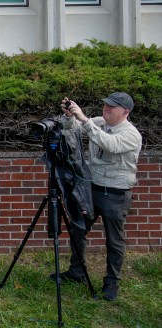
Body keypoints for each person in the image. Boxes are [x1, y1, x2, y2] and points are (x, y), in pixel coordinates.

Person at [55, 93, 143, 301]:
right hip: (92, 189)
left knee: (114, 241)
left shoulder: (131, 134)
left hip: (116, 194)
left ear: (125, 112)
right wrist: (69, 116)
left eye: (112, 106)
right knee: (78, 228)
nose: (106, 108)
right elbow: (73, 130)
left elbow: (109, 144)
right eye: (105, 104)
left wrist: (84, 120)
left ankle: (111, 283)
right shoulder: (99, 122)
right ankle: (77, 272)